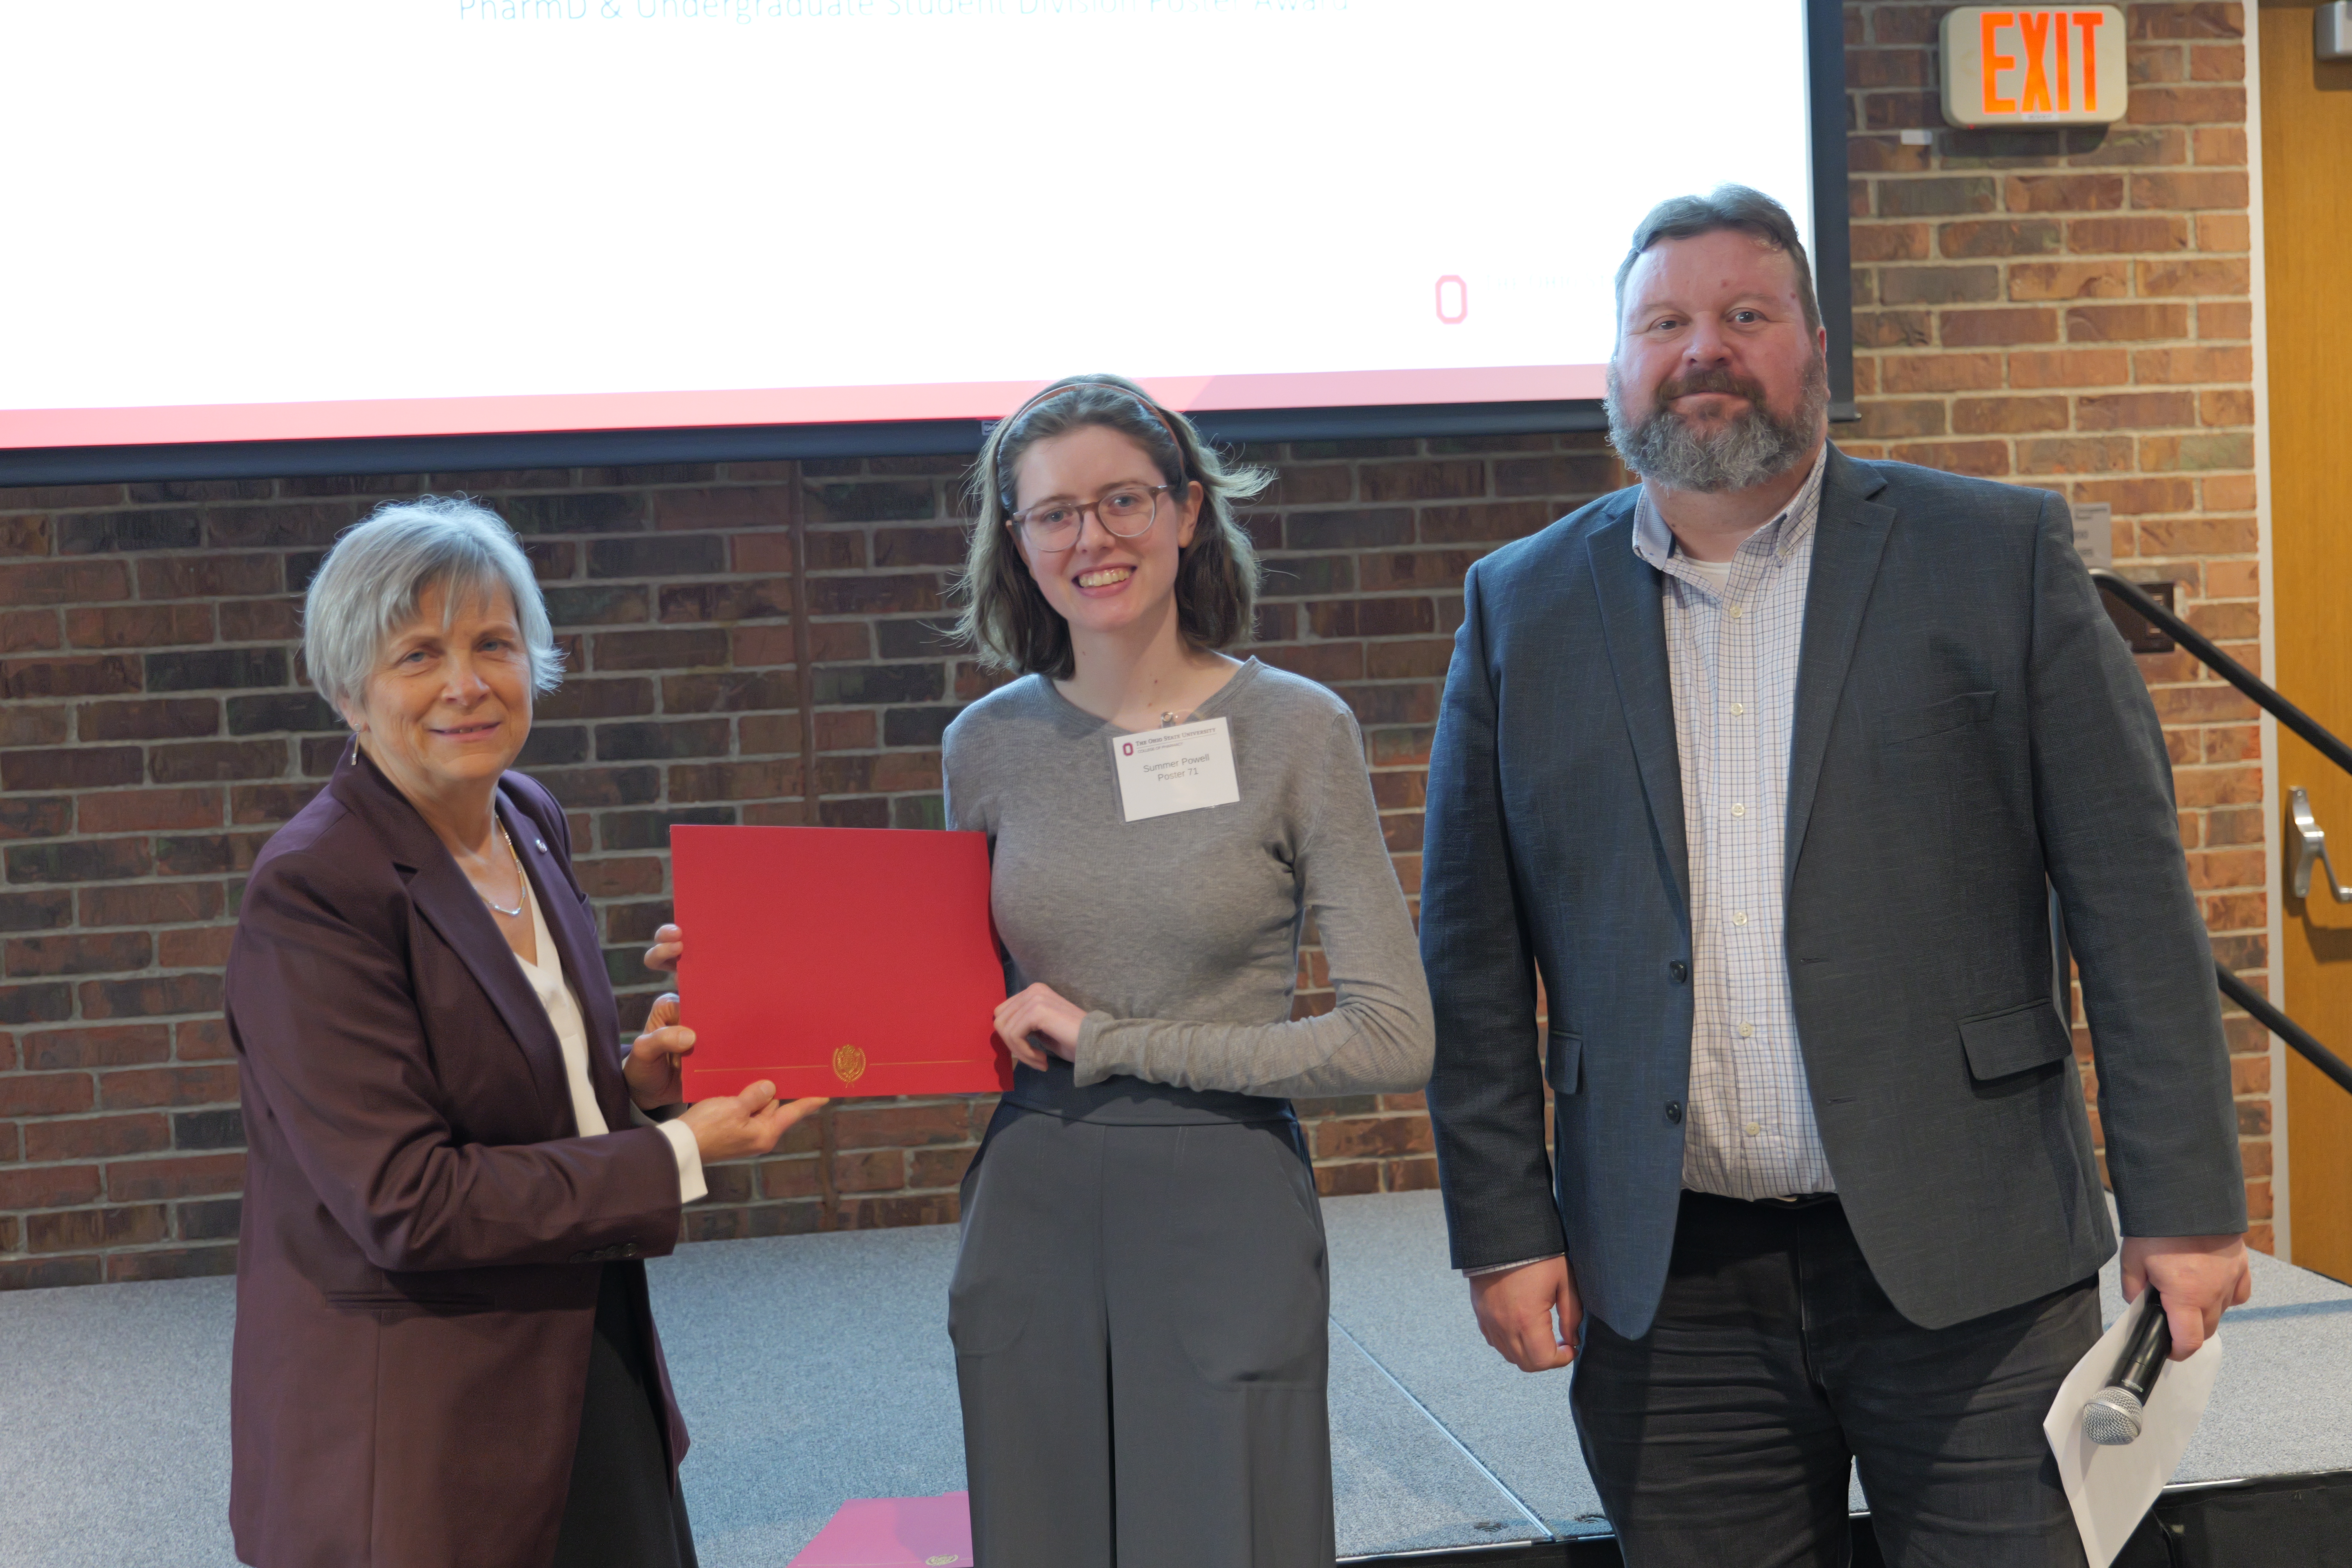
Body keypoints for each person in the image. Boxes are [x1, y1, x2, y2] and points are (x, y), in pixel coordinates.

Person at [1419, 187, 2251, 1567]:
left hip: (1973, 1256)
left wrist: (2187, 1207)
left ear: (1814, 345)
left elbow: (2135, 904)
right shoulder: (1520, 605)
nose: (1705, 349)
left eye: (1746, 315)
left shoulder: (1996, 553)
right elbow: (1473, 951)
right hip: (1666, 1286)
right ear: (1617, 366)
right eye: (1666, 322)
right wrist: (1504, 1226)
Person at [225, 497, 823, 1568]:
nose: (467, 683)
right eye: (418, 654)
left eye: (493, 643)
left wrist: (637, 1085)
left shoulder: (526, 817)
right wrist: (683, 1150)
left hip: (585, 1346)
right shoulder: (316, 889)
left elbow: (524, 1082)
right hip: (426, 1414)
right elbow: (409, 1202)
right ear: (345, 693)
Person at [935, 373, 1434, 1567]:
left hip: (1224, 1201)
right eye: (1054, 512)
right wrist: (766, 991)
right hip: (1031, 1201)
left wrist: (1115, 1040)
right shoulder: (984, 746)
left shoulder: (1298, 730)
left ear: (1189, 512)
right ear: (1018, 539)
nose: (1091, 538)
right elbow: (954, 1004)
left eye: (1124, 502)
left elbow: (1392, 1035)